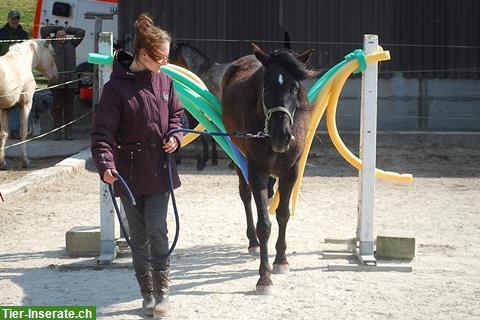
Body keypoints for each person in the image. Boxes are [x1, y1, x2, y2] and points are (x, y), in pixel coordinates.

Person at [90, 13, 184, 318]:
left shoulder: (166, 82)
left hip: (160, 170)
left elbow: (176, 118)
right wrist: (105, 165)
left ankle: (163, 293)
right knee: (137, 235)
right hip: (127, 175)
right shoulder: (115, 90)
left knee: (158, 228)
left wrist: (175, 136)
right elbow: (102, 134)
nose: (166, 63)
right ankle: (147, 293)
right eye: (162, 58)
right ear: (143, 54)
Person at [40, 25, 85, 140]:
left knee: (69, 108)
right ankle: (57, 132)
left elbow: (81, 31)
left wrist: (67, 29)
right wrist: (57, 28)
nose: (62, 38)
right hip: (56, 81)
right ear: (55, 36)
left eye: (64, 35)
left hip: (70, 81)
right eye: (59, 36)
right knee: (56, 108)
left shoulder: (72, 43)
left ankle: (68, 132)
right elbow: (43, 30)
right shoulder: (51, 44)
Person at [0, 10, 29, 139]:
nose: (15, 20)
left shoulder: (23, 34)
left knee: (18, 100)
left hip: (18, 70)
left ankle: (16, 130)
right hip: (3, 69)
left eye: (17, 18)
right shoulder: (1, 33)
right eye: (12, 18)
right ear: (8, 19)